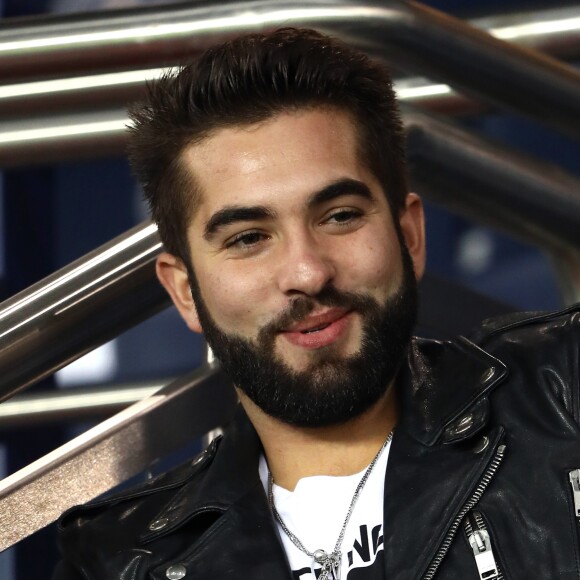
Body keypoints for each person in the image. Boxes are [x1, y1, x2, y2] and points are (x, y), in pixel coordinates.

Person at [53, 28, 580, 580]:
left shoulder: (562, 391)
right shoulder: (118, 563)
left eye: (340, 216)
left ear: (410, 235)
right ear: (186, 291)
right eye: (248, 238)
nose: (307, 272)